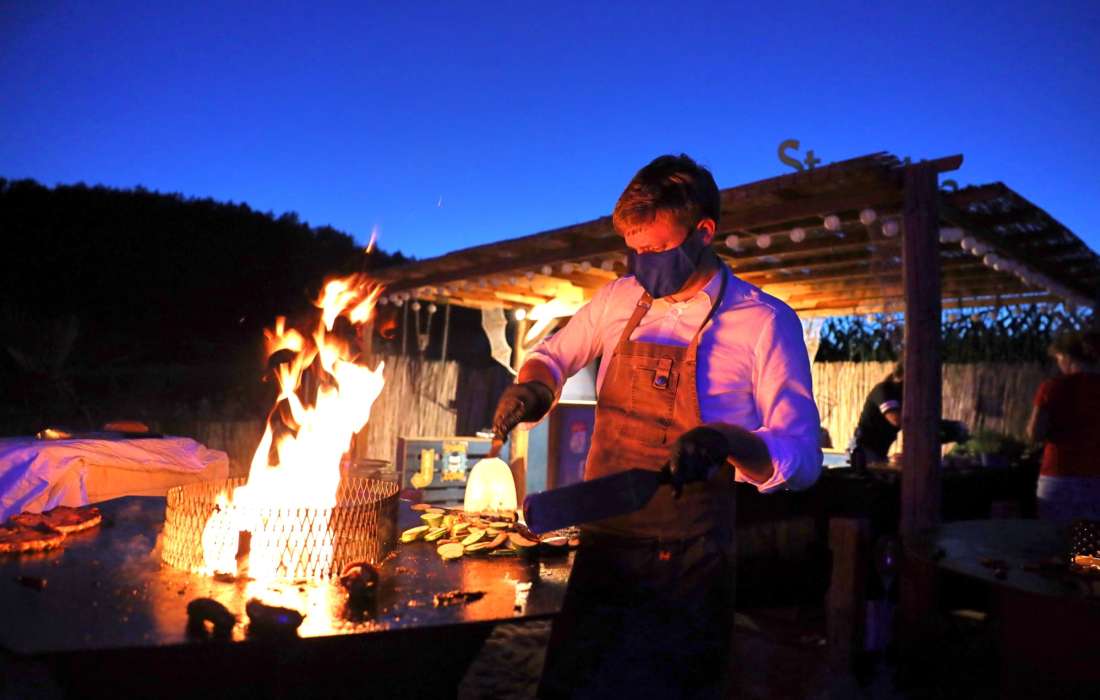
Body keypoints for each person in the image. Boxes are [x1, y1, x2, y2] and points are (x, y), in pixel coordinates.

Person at [491, 154, 823, 698]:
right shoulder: (618, 299)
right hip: (604, 541)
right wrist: (532, 389)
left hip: (691, 562)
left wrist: (728, 442)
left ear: (704, 232)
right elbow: (552, 357)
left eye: (657, 250)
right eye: (634, 250)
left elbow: (802, 457)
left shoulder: (763, 321)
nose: (642, 265)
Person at [1027, 329, 1100, 522]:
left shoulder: (1052, 387)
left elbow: (1035, 433)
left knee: (1055, 536)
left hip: (1059, 476)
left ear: (1068, 357)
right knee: (1087, 537)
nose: (1059, 365)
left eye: (1058, 359)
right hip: (1095, 479)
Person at [850, 363, 904, 466]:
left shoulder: (900, 396)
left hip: (879, 453)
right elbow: (896, 419)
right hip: (864, 451)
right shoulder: (885, 390)